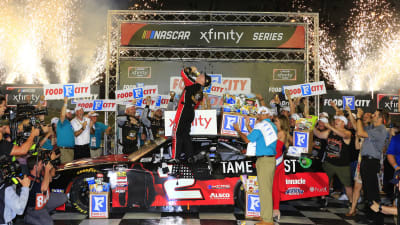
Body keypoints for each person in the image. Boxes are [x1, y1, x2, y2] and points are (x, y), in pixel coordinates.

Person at [233, 106, 277, 225]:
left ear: (264, 115)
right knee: (264, 190)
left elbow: (248, 140)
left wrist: (238, 130)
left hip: (264, 160)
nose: (258, 116)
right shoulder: (271, 126)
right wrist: (248, 126)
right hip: (269, 160)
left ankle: (267, 220)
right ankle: (264, 216)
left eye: (259, 114)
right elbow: (257, 136)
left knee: (265, 191)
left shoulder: (260, 126)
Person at [171, 66, 211, 160]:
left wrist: (190, 69)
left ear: (203, 81)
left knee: (177, 133)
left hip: (183, 110)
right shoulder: (201, 92)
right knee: (185, 135)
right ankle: (190, 157)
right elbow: (196, 105)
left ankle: (175, 158)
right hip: (190, 112)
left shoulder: (192, 84)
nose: (199, 75)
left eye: (202, 76)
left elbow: (183, 73)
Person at [357, 108, 389, 225]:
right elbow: (358, 129)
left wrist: (359, 117)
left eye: (375, 115)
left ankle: (377, 218)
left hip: (372, 162)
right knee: (367, 190)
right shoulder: (372, 127)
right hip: (366, 161)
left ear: (380, 118)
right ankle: (370, 215)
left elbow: (360, 133)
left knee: (372, 191)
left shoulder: (381, 129)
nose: (372, 115)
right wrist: (354, 115)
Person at [313, 115, 353, 207]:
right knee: (324, 181)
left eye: (338, 120)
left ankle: (351, 202)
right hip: (329, 162)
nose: (336, 121)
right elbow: (319, 134)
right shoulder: (330, 131)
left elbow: (343, 135)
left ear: (343, 123)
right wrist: (311, 126)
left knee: (347, 185)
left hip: (342, 164)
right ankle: (323, 199)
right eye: (336, 119)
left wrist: (330, 126)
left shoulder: (347, 132)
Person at [24, 156, 66, 225]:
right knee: (49, 223)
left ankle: (45, 212)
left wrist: (50, 165)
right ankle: (29, 218)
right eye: (41, 164)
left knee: (63, 197)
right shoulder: (29, 179)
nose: (43, 165)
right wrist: (46, 170)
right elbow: (43, 188)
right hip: (34, 208)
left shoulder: (39, 173)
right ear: (35, 167)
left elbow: (50, 179)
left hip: (44, 201)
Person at [272, 115, 290, 221]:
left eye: (277, 121)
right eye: (274, 121)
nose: (275, 123)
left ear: (282, 123)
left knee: (275, 187)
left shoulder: (281, 133)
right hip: (274, 162)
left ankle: (276, 210)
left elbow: (276, 147)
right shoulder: (276, 132)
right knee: (272, 187)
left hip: (277, 163)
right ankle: (273, 209)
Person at [57, 97, 75, 163]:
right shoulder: (61, 122)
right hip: (64, 150)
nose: (71, 114)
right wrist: (65, 103)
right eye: (69, 113)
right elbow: (62, 115)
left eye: (71, 113)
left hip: (70, 150)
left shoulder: (69, 122)